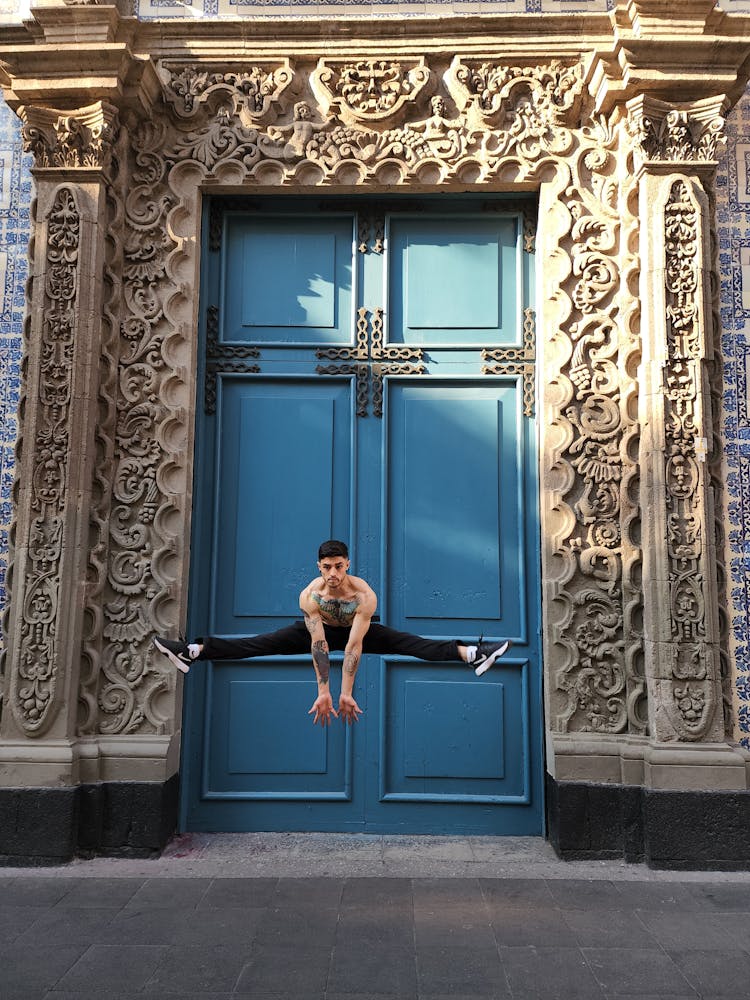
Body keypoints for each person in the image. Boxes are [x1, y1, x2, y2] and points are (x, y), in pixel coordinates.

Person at [154, 540, 511, 726]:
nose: (333, 574)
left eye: (339, 566)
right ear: (319, 567)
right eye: (327, 568)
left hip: (358, 629)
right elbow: (320, 644)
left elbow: (353, 646)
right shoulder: (311, 596)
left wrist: (346, 693)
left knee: (409, 644)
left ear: (348, 564)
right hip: (319, 630)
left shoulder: (363, 596)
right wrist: (324, 691)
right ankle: (193, 651)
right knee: (260, 644)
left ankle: (472, 655)